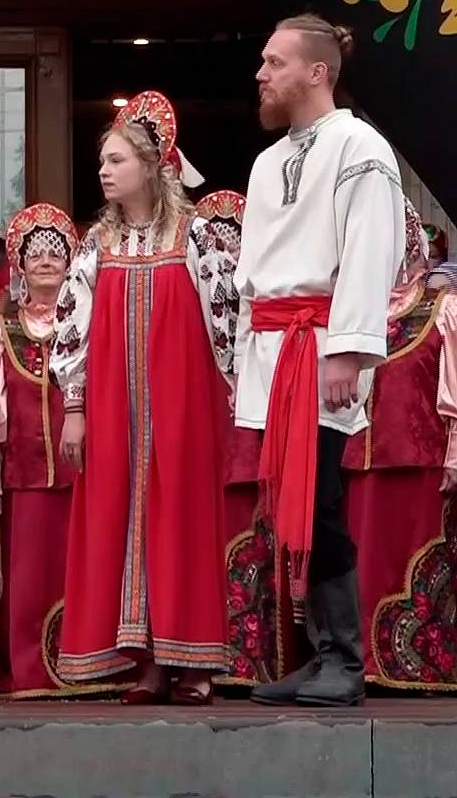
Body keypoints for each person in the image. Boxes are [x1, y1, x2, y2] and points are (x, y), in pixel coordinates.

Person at [239, 15, 404, 709]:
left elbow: (369, 249)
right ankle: (319, 653)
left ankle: (344, 658)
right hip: (273, 350)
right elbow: (255, 276)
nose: (261, 74)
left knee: (322, 500)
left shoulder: (359, 146)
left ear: (317, 72)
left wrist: (348, 351)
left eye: (274, 62)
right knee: (294, 503)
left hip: (320, 346)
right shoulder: (267, 162)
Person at [53, 90, 237, 705]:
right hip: (114, 411)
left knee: (182, 517)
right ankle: (146, 661)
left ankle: (195, 659)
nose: (104, 171)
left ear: (152, 166)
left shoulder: (197, 236)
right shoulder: (95, 245)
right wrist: (74, 409)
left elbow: (227, 327)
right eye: (102, 161)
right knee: (121, 518)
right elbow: (72, 330)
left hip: (184, 409)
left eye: (116, 160)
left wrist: (234, 405)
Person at [0, 203, 108, 699]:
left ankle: (87, 664)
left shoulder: (92, 327)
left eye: (55, 253)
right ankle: (30, 670)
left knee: (83, 569)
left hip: (83, 474)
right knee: (26, 577)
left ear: (71, 264)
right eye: (35, 253)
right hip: (23, 475)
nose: (46, 261)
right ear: (20, 266)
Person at [343, 200, 457, 692]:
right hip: (354, 466)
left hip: (420, 466)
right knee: (356, 567)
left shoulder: (443, 307)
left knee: (413, 566)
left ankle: (419, 667)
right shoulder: (349, 312)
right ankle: (357, 663)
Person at [194, 189, 304, 694]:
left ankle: (261, 662)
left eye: (234, 240)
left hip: (256, 439)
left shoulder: (266, 303)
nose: (226, 252)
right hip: (204, 438)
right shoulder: (193, 303)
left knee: (261, 548)